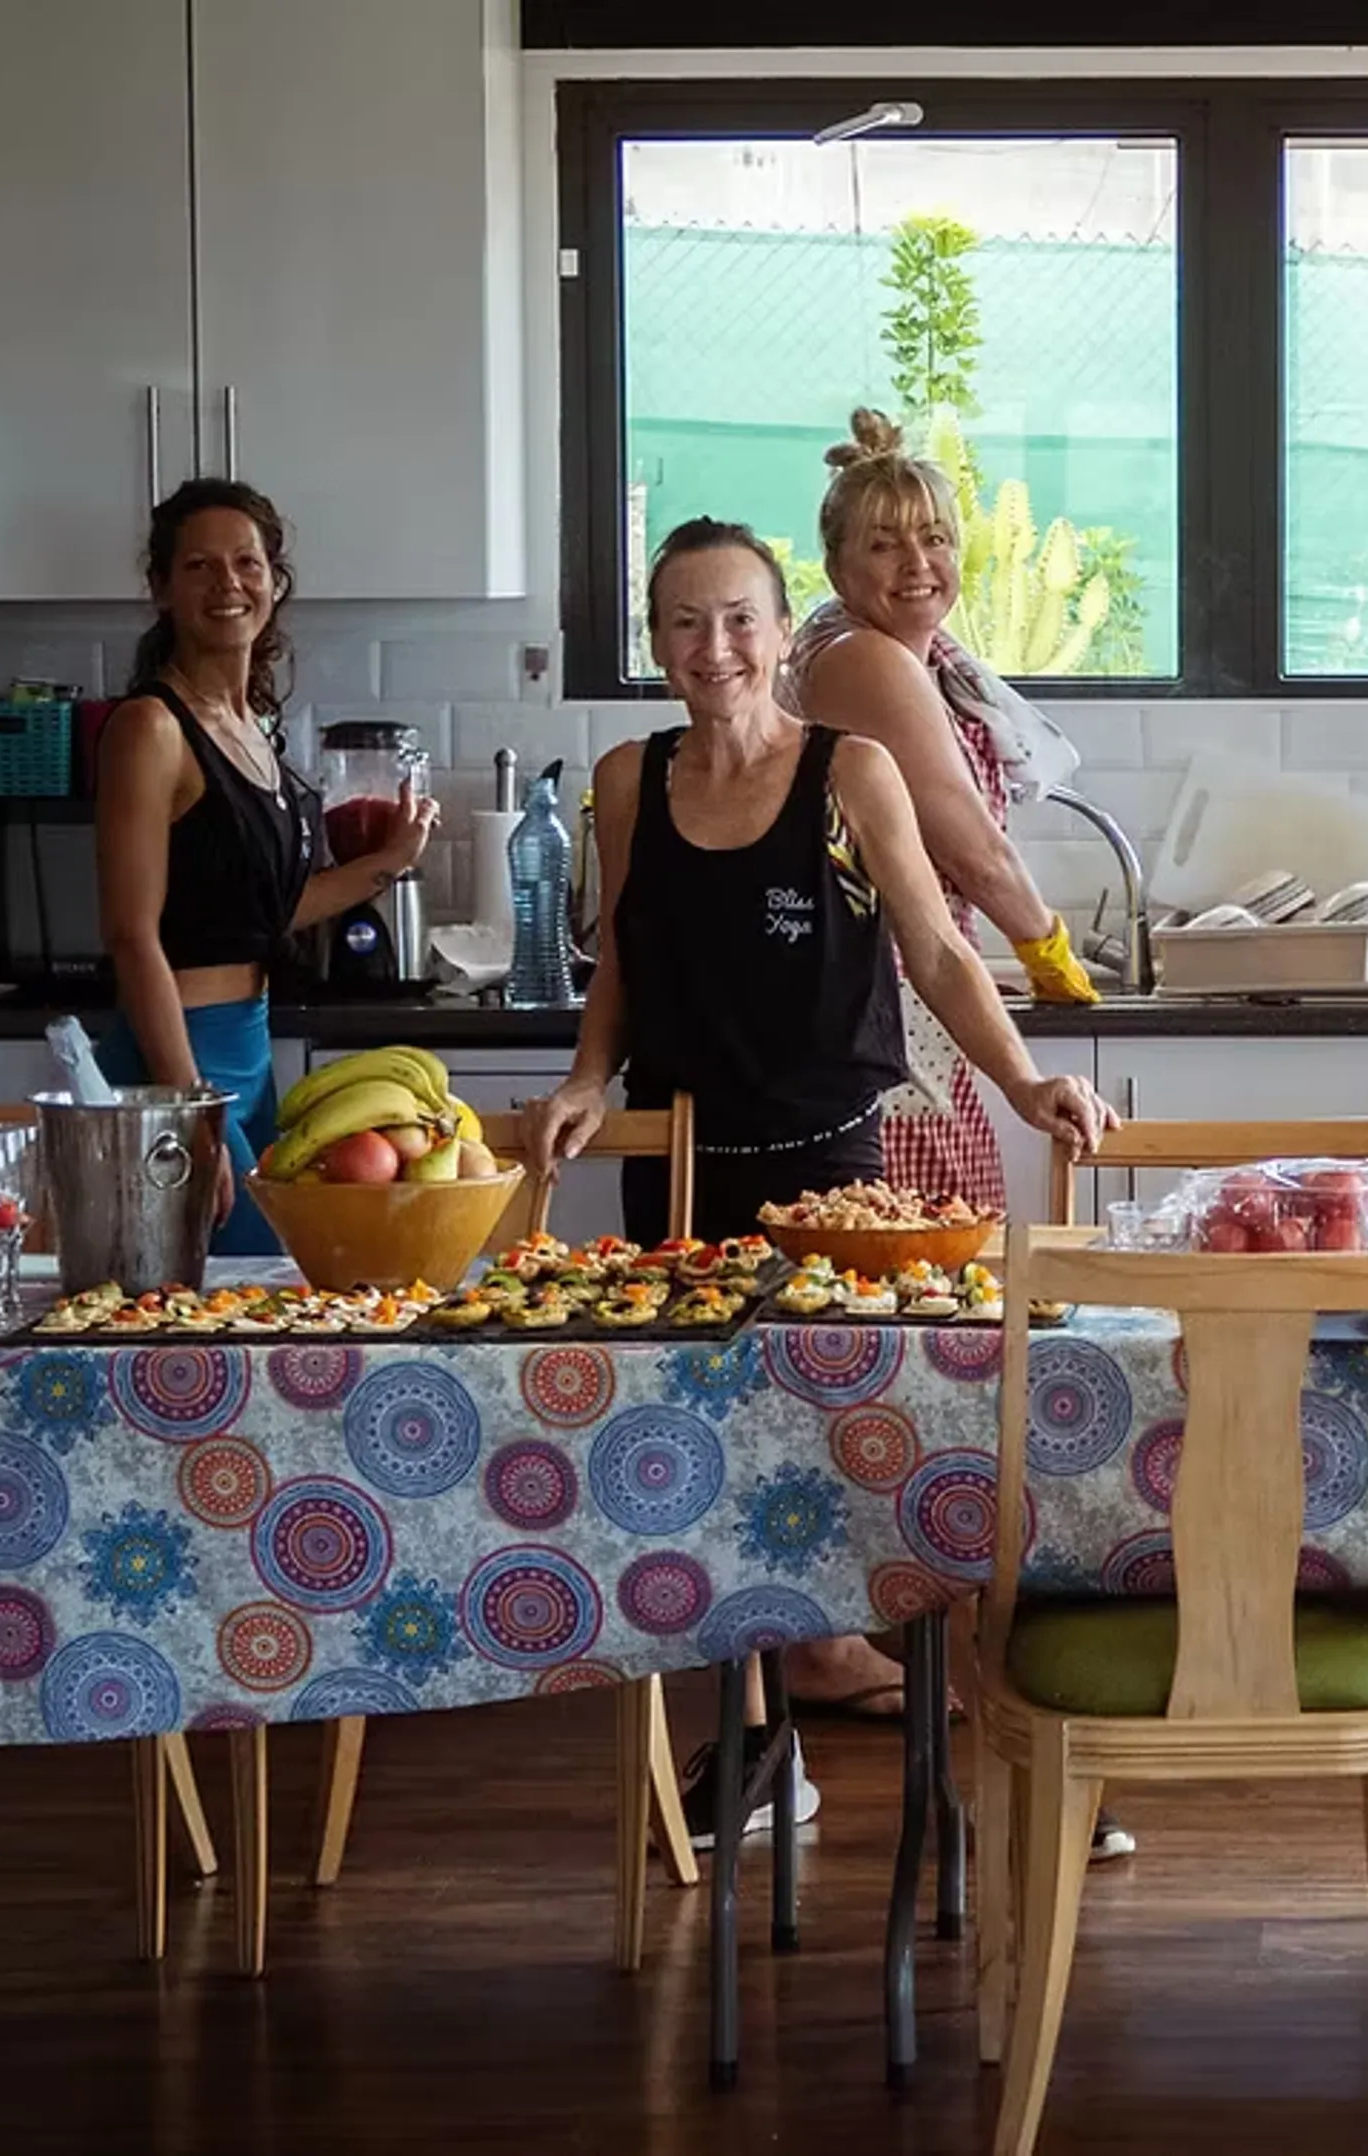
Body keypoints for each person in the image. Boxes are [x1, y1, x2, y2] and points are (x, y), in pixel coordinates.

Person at [518, 517, 1115, 1842]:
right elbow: (624, 961)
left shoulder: (852, 774)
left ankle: (958, 1782)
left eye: (738, 618)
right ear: (657, 644)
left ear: (783, 634)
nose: (713, 646)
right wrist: (580, 1083)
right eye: (683, 622)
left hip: (840, 1180)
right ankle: (750, 1752)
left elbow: (939, 957)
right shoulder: (627, 780)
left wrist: (1027, 1085)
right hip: (682, 1177)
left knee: (877, 1459)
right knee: (698, 1475)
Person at [93, 478, 434, 1255]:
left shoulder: (252, 728)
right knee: (231, 1309)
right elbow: (130, 935)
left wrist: (391, 862)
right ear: (160, 589)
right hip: (173, 1056)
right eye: (199, 567)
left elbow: (265, 915)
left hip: (249, 1051)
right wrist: (191, 1107)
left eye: (247, 564)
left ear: (274, 584)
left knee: (261, 1300)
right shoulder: (150, 728)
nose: (228, 585)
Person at [783, 409, 1101, 1215]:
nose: (918, 563)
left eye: (936, 538)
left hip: (894, 994)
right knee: (924, 1254)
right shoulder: (870, 661)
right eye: (884, 544)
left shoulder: (871, 649)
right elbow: (968, 844)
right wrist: (1047, 949)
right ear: (836, 566)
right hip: (890, 1008)